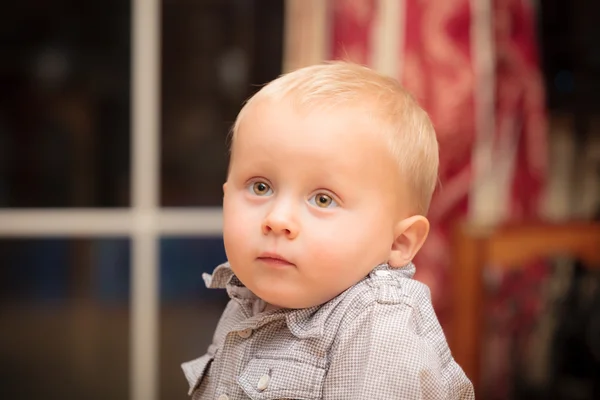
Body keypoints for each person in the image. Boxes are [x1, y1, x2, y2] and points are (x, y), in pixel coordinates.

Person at [182, 62, 474, 399]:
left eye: (322, 199)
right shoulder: (250, 296)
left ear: (399, 241)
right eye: (260, 187)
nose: (277, 219)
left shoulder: (379, 330)